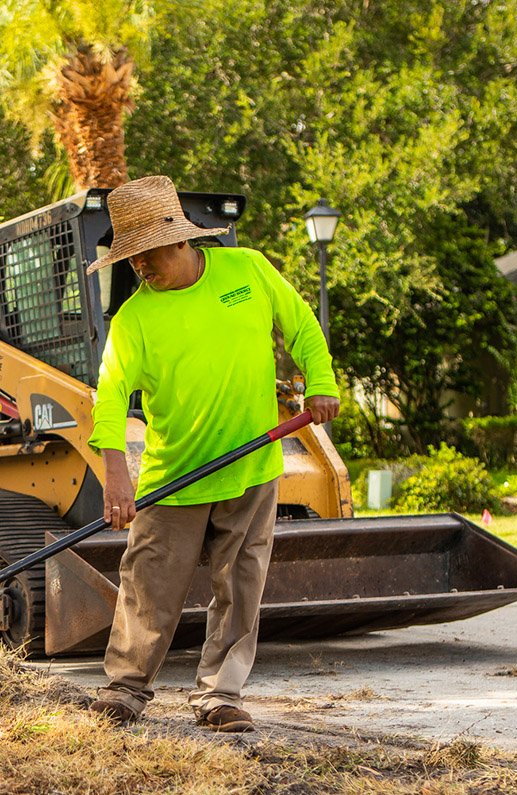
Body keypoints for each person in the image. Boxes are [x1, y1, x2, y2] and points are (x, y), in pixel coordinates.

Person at [85, 175, 339, 732]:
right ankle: (126, 687)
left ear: (181, 240)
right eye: (129, 259)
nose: (141, 268)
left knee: (240, 588)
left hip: (251, 469)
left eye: (148, 254)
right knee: (148, 587)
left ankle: (220, 695)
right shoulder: (134, 320)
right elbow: (108, 400)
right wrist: (116, 476)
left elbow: (302, 327)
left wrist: (320, 382)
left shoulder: (247, 270)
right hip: (173, 477)